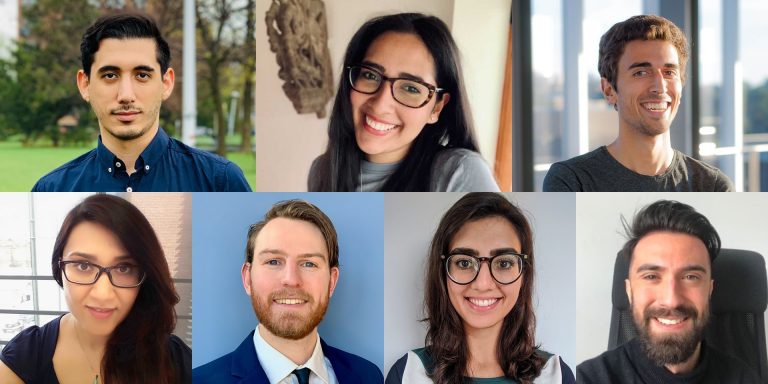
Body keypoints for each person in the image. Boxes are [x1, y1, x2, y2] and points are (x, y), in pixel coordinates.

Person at [32, 12, 251, 192]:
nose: (126, 95)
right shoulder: (52, 189)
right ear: (84, 84)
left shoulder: (219, 182)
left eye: (142, 75)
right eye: (110, 75)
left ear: (166, 83)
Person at [0, 194, 191, 383]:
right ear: (59, 267)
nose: (103, 294)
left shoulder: (175, 360)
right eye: (83, 266)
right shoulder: (25, 357)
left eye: (123, 268)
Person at [386, 193, 574, 383]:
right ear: (443, 273)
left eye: (504, 264)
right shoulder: (408, 373)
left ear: (524, 274)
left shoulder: (554, 375)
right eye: (465, 263)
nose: (482, 284)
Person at [193, 200, 383, 383]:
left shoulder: (369, 376)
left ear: (332, 282)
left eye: (309, 264)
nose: (291, 280)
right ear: (247, 278)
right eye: (273, 261)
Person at [307, 13, 499, 192]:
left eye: (411, 88)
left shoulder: (458, 173)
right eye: (370, 75)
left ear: (437, 107)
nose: (381, 104)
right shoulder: (322, 172)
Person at [543, 15, 733, 192]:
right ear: (609, 90)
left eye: (669, 73)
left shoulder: (713, 186)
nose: (660, 87)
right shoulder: (572, 181)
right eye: (641, 72)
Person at [577, 200, 759, 383]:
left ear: (709, 290)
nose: (671, 300)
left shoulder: (744, 379)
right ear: (629, 291)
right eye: (651, 276)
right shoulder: (588, 378)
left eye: (690, 277)